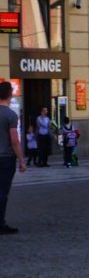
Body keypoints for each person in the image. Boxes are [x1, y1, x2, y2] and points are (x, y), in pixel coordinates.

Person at [0, 81, 26, 234]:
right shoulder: (11, 115)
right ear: (10, 94)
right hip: (5, 159)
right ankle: (1, 224)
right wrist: (21, 160)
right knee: (2, 192)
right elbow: (14, 141)